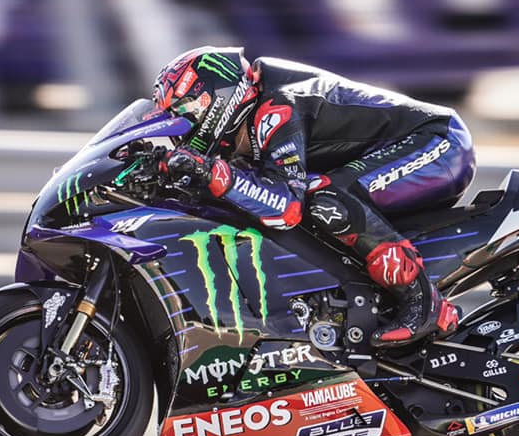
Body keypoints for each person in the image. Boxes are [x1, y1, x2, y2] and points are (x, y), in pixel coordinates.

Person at [152, 46, 476, 347]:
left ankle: (423, 301)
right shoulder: (248, 117)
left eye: (189, 109)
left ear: (218, 97)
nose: (182, 125)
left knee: (325, 197)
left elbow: (285, 206)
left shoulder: (276, 104)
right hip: (396, 153)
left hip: (438, 141)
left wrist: (214, 174)